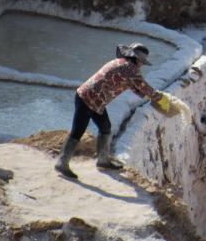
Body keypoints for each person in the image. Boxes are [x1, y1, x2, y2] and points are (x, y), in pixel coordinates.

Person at [55, 43, 163, 180]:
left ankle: (103, 159)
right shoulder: (130, 69)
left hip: (95, 101)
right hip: (87, 99)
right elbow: (141, 85)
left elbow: (134, 86)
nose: (142, 65)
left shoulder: (121, 63)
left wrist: (150, 95)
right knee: (78, 131)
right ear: (136, 59)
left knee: (105, 127)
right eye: (142, 62)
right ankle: (62, 162)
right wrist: (156, 96)